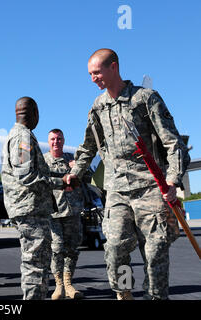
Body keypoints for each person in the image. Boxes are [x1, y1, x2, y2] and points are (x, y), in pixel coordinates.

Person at [65, 48, 190, 300]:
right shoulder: (98, 107)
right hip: (117, 191)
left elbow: (173, 143)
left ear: (114, 67)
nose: (93, 79)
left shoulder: (145, 99)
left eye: (97, 72)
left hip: (151, 187)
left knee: (155, 253)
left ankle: (156, 297)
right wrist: (75, 173)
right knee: (115, 251)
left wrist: (173, 181)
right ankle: (124, 295)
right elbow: (88, 146)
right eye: (90, 74)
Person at [1, 97, 74, 300]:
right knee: (36, 265)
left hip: (28, 208)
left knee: (37, 262)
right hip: (30, 209)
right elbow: (26, 175)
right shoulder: (23, 137)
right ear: (34, 113)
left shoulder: (18, 135)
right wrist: (62, 183)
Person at [44, 128, 88, 300]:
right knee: (56, 248)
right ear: (49, 142)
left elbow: (88, 177)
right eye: (53, 139)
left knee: (72, 248)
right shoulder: (43, 161)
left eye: (59, 139)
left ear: (63, 140)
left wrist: (77, 168)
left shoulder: (71, 158)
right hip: (53, 212)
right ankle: (58, 285)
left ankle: (69, 283)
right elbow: (40, 182)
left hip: (73, 210)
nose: (56, 142)